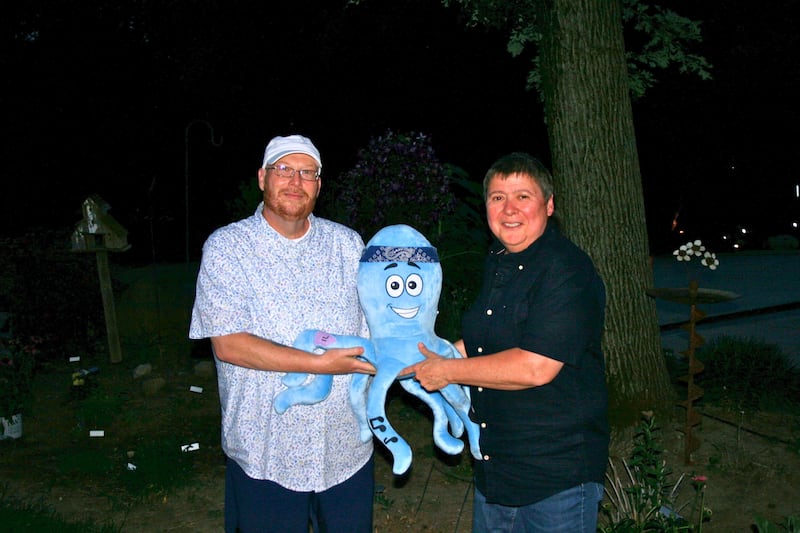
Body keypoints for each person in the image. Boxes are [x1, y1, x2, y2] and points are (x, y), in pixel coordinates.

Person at [404, 152, 609, 533]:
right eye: (498, 197)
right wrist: (425, 357)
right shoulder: (499, 259)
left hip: (555, 476)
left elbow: (536, 366)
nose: (509, 209)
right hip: (496, 469)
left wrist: (446, 371)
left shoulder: (565, 268)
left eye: (522, 196)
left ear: (549, 205)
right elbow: (484, 340)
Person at [189, 134, 376, 533]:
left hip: (343, 449)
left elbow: (374, 330)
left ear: (319, 185)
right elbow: (228, 343)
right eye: (284, 170)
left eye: (307, 173)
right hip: (266, 453)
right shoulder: (227, 248)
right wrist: (318, 364)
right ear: (262, 177)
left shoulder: (348, 245)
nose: (295, 181)